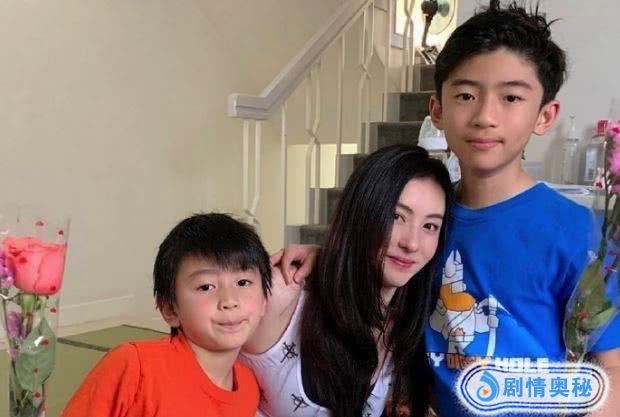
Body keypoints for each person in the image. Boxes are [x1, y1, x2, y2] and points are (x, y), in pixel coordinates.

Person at [273, 2, 620, 416]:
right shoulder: (425, 221)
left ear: (545, 116)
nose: (485, 116)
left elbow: (612, 369)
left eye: (511, 97)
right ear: (437, 109)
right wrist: (329, 257)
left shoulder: (579, 232)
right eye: (466, 95)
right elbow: (378, 284)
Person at [241, 144, 453, 417]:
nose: (412, 243)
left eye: (430, 226)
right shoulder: (282, 293)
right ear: (360, 212)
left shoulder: (405, 326)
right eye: (396, 216)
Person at [61, 213, 271, 417]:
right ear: (170, 308)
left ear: (264, 300)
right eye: (206, 286)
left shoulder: (249, 388)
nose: (229, 301)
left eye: (243, 282)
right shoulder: (136, 367)